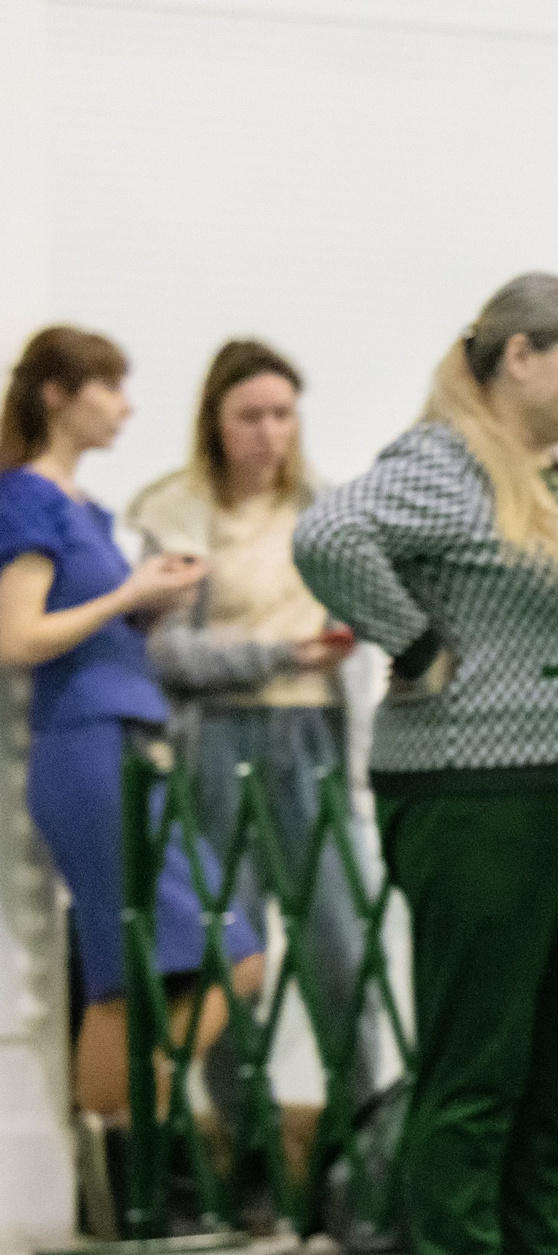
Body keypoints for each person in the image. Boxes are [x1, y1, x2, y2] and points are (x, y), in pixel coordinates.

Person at [295, 274, 558, 1255]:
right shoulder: (443, 460)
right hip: (480, 792)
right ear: (518, 356)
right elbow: (329, 534)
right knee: (481, 1056)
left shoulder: (545, 474)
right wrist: (414, 646)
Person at [0, 327, 263, 1147]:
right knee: (207, 960)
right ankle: (130, 1129)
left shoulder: (81, 508)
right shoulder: (28, 499)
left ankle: (114, 1146)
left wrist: (148, 606)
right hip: (89, 743)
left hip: (127, 735)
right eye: (109, 387)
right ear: (57, 395)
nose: (126, 407)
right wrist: (128, 597)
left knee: (155, 969)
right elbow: (19, 637)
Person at [129, 340, 380, 1146]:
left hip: (315, 737)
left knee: (342, 946)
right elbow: (166, 652)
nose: (270, 433)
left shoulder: (328, 510)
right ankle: (249, 1144)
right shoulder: (176, 514)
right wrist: (276, 654)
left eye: (282, 414)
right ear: (216, 421)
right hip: (217, 741)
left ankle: (360, 1136)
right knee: (232, 953)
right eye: (250, 416)